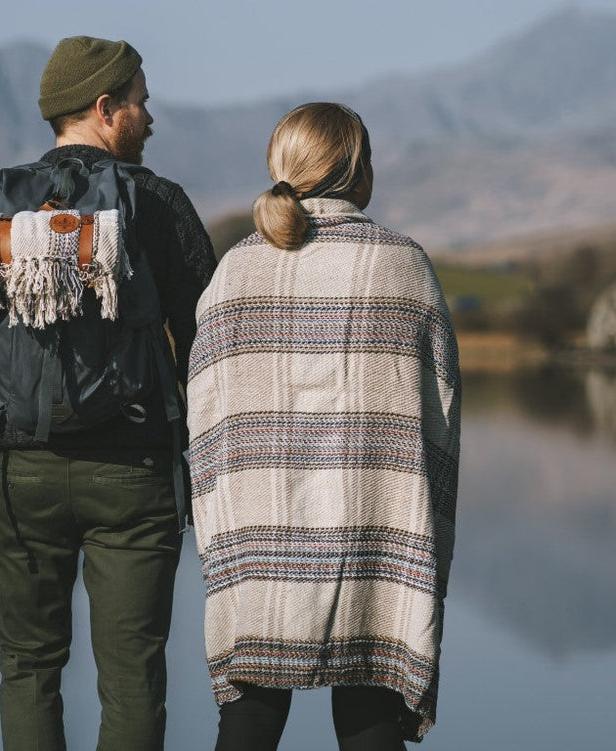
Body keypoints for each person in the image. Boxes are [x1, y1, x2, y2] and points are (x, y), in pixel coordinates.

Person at [0, 36, 216, 751]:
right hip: (135, 477)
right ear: (105, 106)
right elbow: (212, 349)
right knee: (133, 674)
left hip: (21, 472)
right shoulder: (158, 204)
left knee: (27, 666)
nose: (150, 118)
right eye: (141, 102)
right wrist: (211, 466)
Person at [186, 102, 461, 750]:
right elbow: (441, 418)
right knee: (369, 715)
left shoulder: (236, 272)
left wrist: (224, 527)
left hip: (259, 533)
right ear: (357, 171)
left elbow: (204, 421)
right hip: (374, 533)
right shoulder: (404, 266)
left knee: (250, 715)